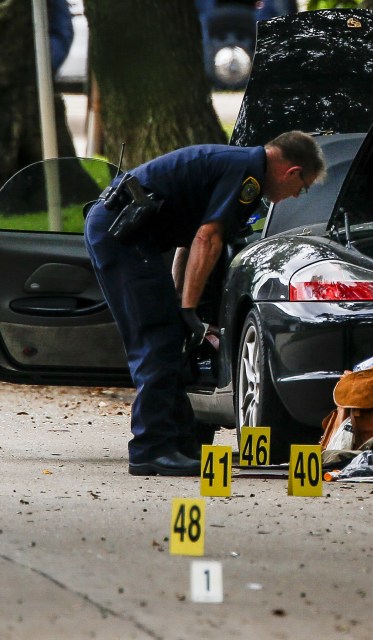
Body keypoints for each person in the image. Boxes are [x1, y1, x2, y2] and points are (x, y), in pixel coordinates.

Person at [84, 131, 326, 476]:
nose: (296, 195)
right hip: (123, 236)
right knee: (157, 339)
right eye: (302, 187)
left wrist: (185, 305)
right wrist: (187, 310)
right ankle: (151, 450)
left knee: (170, 338)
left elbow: (188, 242)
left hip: (130, 235)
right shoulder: (248, 175)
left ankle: (179, 445)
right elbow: (207, 238)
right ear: (292, 171)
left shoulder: (238, 165)